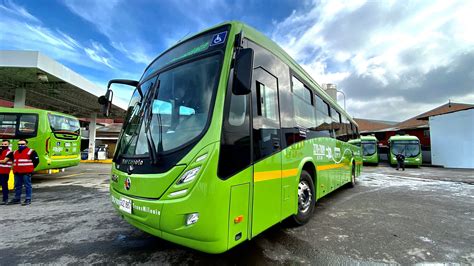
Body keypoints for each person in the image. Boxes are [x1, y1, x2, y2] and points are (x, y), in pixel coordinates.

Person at [8, 139, 39, 205]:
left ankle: (28, 199)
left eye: (22, 144)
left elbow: (36, 161)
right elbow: (7, 158)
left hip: (26, 172)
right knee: (17, 186)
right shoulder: (14, 152)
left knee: (27, 186)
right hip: (17, 172)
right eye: (19, 144)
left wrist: (31, 168)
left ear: (26, 144)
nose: (20, 145)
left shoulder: (31, 151)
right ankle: (17, 199)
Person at [0, 140, 13, 205]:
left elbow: (4, 161)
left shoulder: (9, 152)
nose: (3, 145)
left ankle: (5, 199)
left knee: (4, 186)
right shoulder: (1, 151)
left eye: (5, 144)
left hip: (4, 171)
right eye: (2, 144)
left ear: (8, 145)